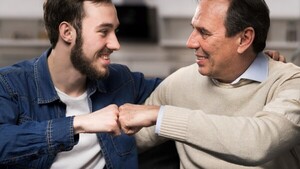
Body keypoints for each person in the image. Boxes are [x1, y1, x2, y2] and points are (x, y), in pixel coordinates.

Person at [118, 0, 300, 168]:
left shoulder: (290, 82)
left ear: (244, 39)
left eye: (204, 32)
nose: (190, 43)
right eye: (193, 29)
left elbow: (261, 143)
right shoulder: (179, 82)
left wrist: (163, 116)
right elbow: (124, 144)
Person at [0, 0, 161, 168]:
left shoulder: (122, 80)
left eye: (115, 31)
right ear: (67, 32)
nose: (116, 44)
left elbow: (180, 90)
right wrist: (79, 123)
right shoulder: (9, 83)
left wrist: (159, 113)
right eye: (104, 31)